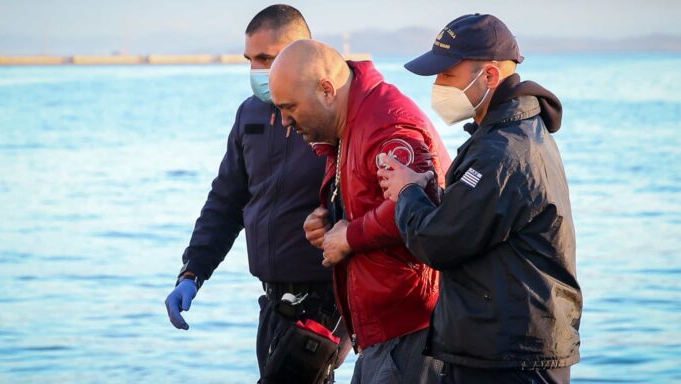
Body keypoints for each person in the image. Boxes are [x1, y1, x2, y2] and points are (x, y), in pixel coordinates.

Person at [376, 14, 582, 383]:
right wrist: (431, 191)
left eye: (447, 75)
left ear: (488, 76)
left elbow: (437, 242)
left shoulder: (502, 152)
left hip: (513, 357)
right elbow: (477, 220)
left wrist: (406, 192)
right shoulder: (511, 132)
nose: (438, 86)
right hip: (503, 345)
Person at [163, 5, 349, 383]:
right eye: (250, 59)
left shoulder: (335, 115)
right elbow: (226, 201)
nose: (257, 70)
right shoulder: (249, 114)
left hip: (327, 305)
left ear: (302, 51)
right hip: (273, 303)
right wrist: (193, 272)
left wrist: (350, 322)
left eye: (266, 58)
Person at [269, 39, 452, 384]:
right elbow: (369, 198)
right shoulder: (348, 123)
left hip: (411, 330)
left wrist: (350, 236)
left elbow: (421, 204)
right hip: (379, 332)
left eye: (289, 107)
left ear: (326, 90)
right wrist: (329, 219)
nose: (285, 122)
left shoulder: (386, 124)